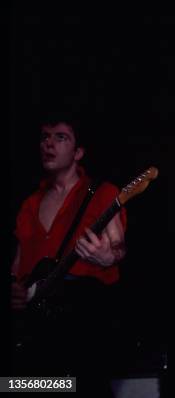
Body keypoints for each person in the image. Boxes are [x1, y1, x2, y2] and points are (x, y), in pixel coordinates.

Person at [10, 113, 127, 397]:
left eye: (60, 137)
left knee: (83, 388)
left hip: (84, 333)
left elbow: (119, 248)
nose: (49, 144)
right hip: (35, 337)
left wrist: (107, 256)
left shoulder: (102, 193)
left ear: (78, 152)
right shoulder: (30, 203)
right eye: (44, 137)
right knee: (14, 387)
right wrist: (13, 287)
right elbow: (18, 265)